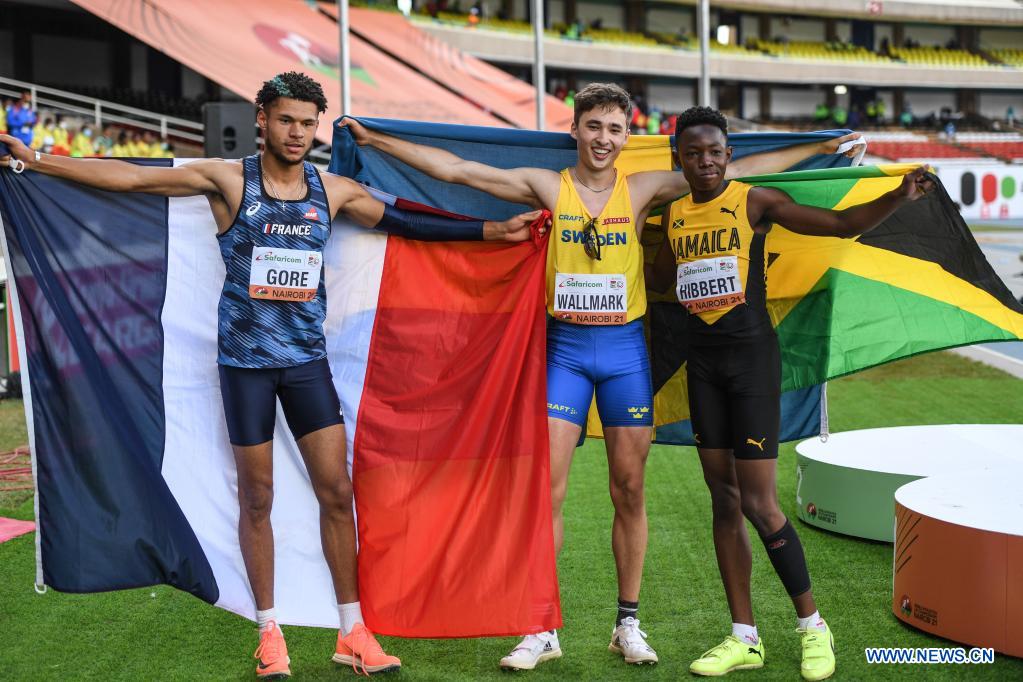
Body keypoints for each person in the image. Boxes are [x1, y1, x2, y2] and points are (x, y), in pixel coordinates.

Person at [2, 70, 543, 680]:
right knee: (257, 497)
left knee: (337, 494)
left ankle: (352, 631)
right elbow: (133, 177)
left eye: (308, 123)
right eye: (286, 119)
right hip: (246, 370)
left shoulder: (330, 190)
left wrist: (493, 231)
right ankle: (269, 631)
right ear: (262, 118)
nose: (297, 132)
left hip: (306, 367)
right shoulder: (229, 180)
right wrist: (39, 162)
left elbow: (405, 224)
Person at [340, 82, 863, 671]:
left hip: (624, 355)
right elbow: (461, 170)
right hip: (564, 351)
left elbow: (739, 166)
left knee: (629, 489)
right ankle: (541, 626)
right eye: (594, 127)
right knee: (548, 491)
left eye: (616, 130)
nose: (604, 139)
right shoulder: (548, 185)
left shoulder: (644, 189)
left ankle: (627, 623)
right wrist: (377, 139)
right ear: (576, 130)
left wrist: (819, 147)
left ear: (627, 137)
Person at [646, 106, 933, 681]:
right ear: (679, 159)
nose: (705, 161)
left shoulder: (754, 202)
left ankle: (812, 627)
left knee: (760, 503)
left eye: (714, 151)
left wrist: (898, 197)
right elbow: (658, 290)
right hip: (702, 370)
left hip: (751, 365)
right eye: (693, 153)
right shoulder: (672, 216)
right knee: (723, 500)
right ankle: (744, 637)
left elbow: (837, 226)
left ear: (729, 155)